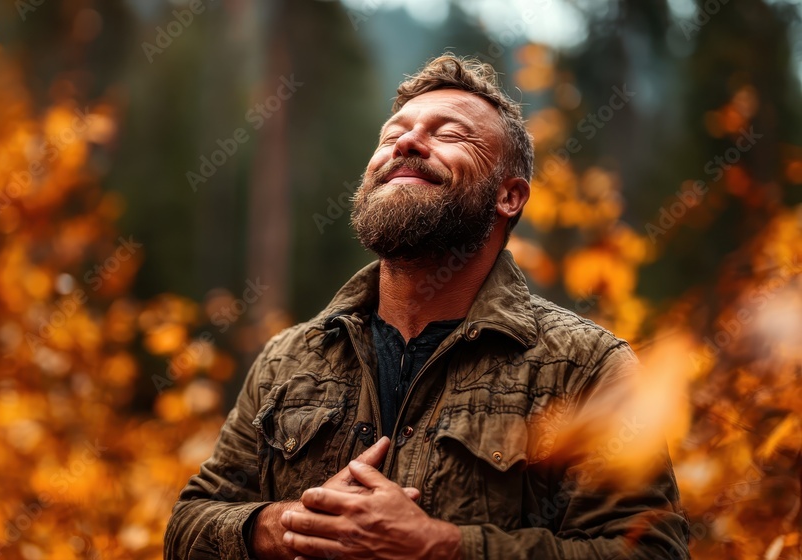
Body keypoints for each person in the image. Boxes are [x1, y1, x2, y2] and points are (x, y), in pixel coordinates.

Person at [164, 54, 690, 559]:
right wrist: (284, 527)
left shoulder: (586, 367)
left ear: (510, 196)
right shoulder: (288, 359)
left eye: (449, 133)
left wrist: (440, 548)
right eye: (392, 134)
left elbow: (650, 551)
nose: (408, 142)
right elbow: (188, 526)